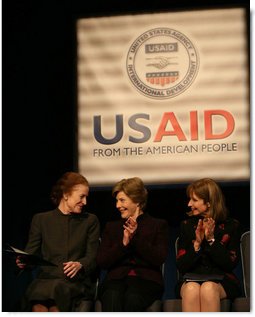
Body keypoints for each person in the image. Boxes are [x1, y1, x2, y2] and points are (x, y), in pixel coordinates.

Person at [16, 171, 100, 312]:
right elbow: (31, 253)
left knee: (55, 295)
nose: (85, 202)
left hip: (74, 281)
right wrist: (24, 261)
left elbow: (93, 256)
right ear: (66, 195)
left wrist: (80, 264)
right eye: (82, 196)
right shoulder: (41, 220)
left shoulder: (90, 220)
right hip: (46, 279)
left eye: (86, 197)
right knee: (38, 301)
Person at [96, 177, 169, 312]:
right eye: (117, 200)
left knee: (133, 297)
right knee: (112, 295)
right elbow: (102, 261)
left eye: (122, 200)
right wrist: (123, 244)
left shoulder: (157, 225)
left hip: (147, 280)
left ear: (137, 201)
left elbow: (159, 258)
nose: (117, 205)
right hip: (116, 280)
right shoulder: (112, 227)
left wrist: (135, 238)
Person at [175, 178, 242, 312]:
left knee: (208, 288)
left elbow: (229, 264)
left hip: (222, 280)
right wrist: (197, 244)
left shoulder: (231, 226)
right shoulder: (187, 226)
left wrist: (211, 240)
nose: (189, 204)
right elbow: (181, 266)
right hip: (190, 279)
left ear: (209, 202)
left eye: (194, 200)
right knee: (191, 289)